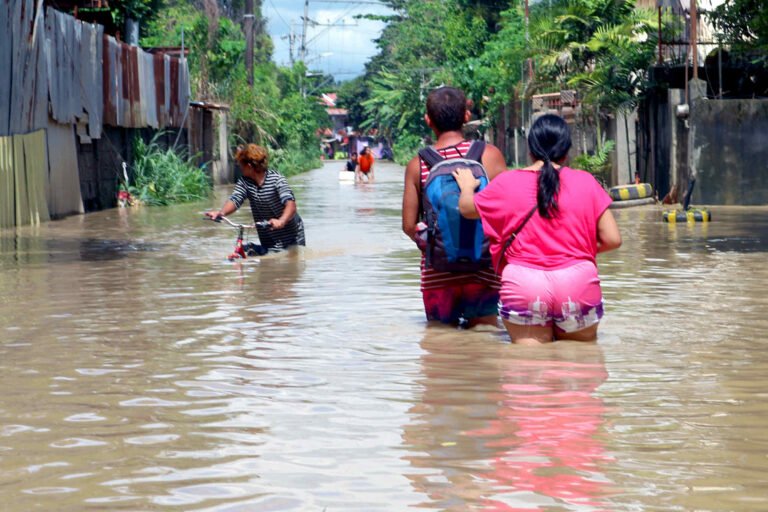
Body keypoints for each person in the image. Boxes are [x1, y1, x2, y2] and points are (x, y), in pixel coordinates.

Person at [453, 114, 621, 344]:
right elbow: (613, 239)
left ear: (530, 149)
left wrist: (466, 187)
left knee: (527, 369)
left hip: (524, 284)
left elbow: (466, 209)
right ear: (567, 150)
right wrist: (575, 251)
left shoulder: (506, 183)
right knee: (581, 366)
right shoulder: (586, 182)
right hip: (577, 282)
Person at [402, 86, 507, 327]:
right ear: (466, 117)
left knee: (441, 348)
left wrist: (438, 247)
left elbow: (409, 226)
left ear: (428, 120)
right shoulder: (489, 155)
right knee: (485, 339)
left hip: (437, 274)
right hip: (483, 270)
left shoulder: (418, 164)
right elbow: (507, 212)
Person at [205, 143, 305, 254]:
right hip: (267, 235)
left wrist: (281, 221)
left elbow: (291, 205)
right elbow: (235, 199)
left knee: (292, 265)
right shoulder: (245, 182)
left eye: (241, 165)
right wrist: (221, 213)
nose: (240, 168)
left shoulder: (276, 179)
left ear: (249, 166)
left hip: (291, 235)